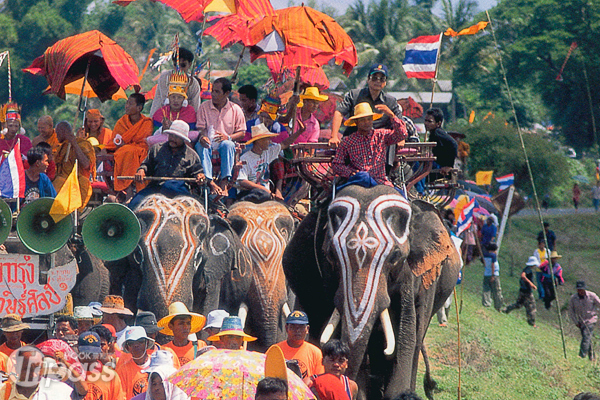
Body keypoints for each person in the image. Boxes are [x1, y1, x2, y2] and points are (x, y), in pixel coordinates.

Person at [331, 102, 407, 187]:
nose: (366, 122)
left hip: (380, 180)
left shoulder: (381, 135)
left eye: (369, 119)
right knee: (364, 176)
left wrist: (392, 116)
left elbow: (402, 134)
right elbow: (337, 164)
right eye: (363, 120)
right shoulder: (347, 141)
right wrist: (350, 173)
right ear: (356, 122)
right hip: (358, 181)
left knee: (401, 197)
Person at [330, 64, 403, 148]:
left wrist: (401, 139)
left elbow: (400, 122)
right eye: (374, 78)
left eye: (382, 79)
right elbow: (339, 113)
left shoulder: (391, 101)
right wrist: (334, 136)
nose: (378, 81)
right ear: (368, 79)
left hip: (380, 145)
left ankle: (388, 162)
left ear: (385, 82)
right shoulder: (354, 95)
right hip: (355, 142)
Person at [195, 77, 246, 194]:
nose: (213, 94)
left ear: (227, 93)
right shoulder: (204, 107)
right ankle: (210, 181)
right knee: (202, 146)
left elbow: (242, 132)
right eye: (213, 90)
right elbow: (201, 128)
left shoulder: (235, 109)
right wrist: (203, 137)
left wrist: (228, 137)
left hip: (225, 143)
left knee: (228, 144)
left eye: (217, 92)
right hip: (208, 143)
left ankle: (224, 181)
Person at [236, 123, 305, 202]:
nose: (269, 142)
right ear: (259, 141)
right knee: (265, 196)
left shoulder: (267, 153)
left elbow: (285, 143)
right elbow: (242, 181)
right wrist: (264, 189)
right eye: (267, 139)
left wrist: (299, 132)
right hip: (248, 192)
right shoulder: (245, 158)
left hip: (264, 193)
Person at [107, 93, 154, 198]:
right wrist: (121, 144)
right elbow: (115, 140)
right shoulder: (121, 122)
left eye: (130, 103)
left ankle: (137, 191)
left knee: (131, 151)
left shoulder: (146, 122)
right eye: (127, 103)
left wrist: (126, 144)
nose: (126, 106)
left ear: (139, 108)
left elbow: (144, 141)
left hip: (141, 150)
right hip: (124, 150)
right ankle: (128, 190)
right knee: (124, 151)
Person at [0, 346, 73, 400]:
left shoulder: (59, 391)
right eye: (27, 369)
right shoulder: (3, 392)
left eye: (38, 368)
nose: (34, 375)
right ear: (17, 368)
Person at [53, 121, 96, 208]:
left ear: (63, 132)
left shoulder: (83, 144)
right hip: (63, 178)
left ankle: (76, 215)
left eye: (58, 133)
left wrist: (74, 144)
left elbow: (86, 164)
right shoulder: (63, 146)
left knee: (83, 183)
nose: (56, 136)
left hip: (78, 179)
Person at [150, 47, 200, 117]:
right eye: (176, 65)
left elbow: (195, 107)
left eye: (183, 65)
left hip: (185, 120)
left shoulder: (194, 83)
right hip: (161, 117)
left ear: (190, 64)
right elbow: (167, 101)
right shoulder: (166, 77)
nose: (179, 69)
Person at [77, 331, 126, 400]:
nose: (89, 356)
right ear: (78, 350)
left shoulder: (111, 375)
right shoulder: (72, 373)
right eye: (86, 352)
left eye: (93, 353)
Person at [276, 311, 324, 380]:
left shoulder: (316, 352)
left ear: (307, 329)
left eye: (301, 327)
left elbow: (320, 378)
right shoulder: (276, 350)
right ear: (286, 328)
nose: (297, 330)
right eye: (293, 327)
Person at [158, 302, 207, 366]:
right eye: (181, 323)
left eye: (188, 323)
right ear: (171, 326)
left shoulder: (200, 346)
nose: (186, 327)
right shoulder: (164, 350)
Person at [115, 326, 155, 399]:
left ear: (147, 343)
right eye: (131, 343)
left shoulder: (156, 364)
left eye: (140, 341)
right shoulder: (122, 370)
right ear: (127, 348)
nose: (136, 345)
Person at [568, 281, 600, 360]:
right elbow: (571, 311)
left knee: (586, 336)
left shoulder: (592, 296)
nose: (580, 291)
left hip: (591, 320)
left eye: (581, 289)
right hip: (581, 321)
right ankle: (592, 357)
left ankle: (581, 355)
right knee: (587, 338)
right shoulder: (573, 298)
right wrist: (576, 322)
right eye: (578, 289)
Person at [504, 256, 539, 327]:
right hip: (527, 292)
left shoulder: (527, 269)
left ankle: (506, 309)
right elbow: (523, 276)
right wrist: (531, 283)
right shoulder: (528, 270)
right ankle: (532, 323)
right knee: (532, 307)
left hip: (522, 290)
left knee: (518, 304)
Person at [423, 108, 458, 174]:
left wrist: (448, 165)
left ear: (438, 124)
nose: (426, 123)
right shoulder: (432, 134)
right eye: (425, 120)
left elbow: (453, 144)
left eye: (429, 121)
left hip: (439, 165)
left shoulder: (437, 133)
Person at [482, 243, 504, 312]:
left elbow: (484, 263)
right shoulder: (493, 256)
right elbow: (493, 265)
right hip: (494, 275)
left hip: (486, 274)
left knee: (486, 289)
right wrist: (492, 275)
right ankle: (498, 306)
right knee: (497, 291)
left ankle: (486, 303)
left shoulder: (484, 255)